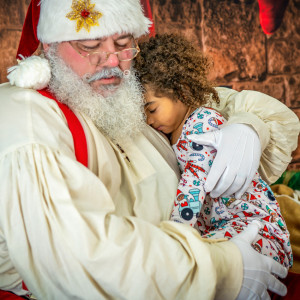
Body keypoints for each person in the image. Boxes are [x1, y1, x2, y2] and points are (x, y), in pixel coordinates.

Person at [0, 0, 299, 299]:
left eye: (123, 42)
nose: (113, 61)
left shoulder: (121, 95)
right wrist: (223, 269)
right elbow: (75, 256)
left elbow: (203, 99)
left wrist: (248, 126)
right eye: (90, 44)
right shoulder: (26, 117)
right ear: (50, 45)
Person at [134, 33, 293, 269]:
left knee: (199, 262)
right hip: (225, 226)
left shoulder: (202, 124)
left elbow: (192, 185)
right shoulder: (172, 133)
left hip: (255, 227)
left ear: (182, 91)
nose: (147, 120)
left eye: (152, 109)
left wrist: (175, 237)